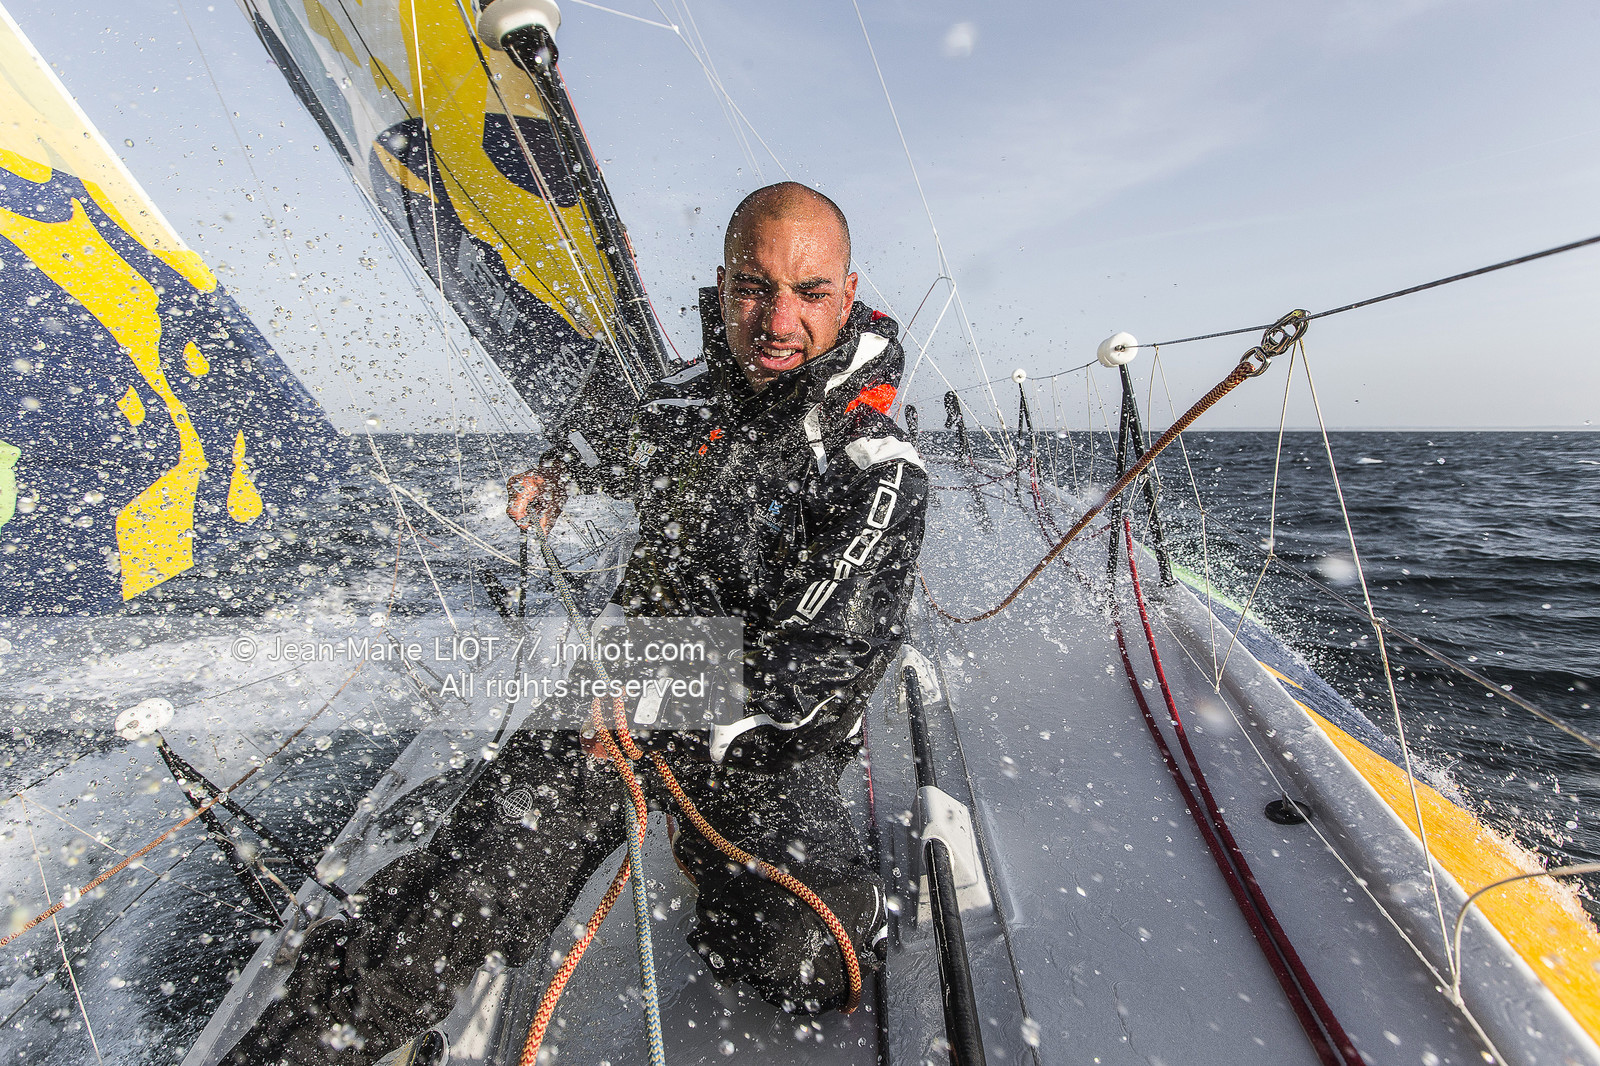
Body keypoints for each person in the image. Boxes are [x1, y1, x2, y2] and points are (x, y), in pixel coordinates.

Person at [227, 182, 927, 1065]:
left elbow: (818, 661)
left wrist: (662, 694)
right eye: (753, 287)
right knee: (463, 895)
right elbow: (605, 434)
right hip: (614, 700)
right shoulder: (677, 402)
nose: (778, 319)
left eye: (810, 292)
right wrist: (556, 474)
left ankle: (710, 859)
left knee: (808, 957)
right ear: (722, 285)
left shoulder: (878, 470)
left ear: (849, 291)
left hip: (766, 746)